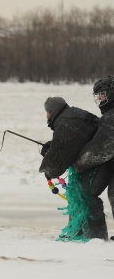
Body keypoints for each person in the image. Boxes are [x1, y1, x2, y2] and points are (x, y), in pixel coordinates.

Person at [39, 96, 109, 240]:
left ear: (53, 111)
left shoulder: (67, 123)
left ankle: (94, 238)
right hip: (100, 161)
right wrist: (51, 146)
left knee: (85, 195)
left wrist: (48, 170)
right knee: (78, 193)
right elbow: (74, 141)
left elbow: (59, 157)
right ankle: (80, 233)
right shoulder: (71, 116)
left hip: (101, 161)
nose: (46, 116)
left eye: (47, 112)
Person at [73, 75, 114, 240]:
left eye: (102, 95)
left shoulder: (111, 117)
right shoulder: (109, 116)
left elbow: (99, 148)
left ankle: (95, 237)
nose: (99, 100)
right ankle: (95, 236)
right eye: (97, 96)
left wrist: (76, 162)